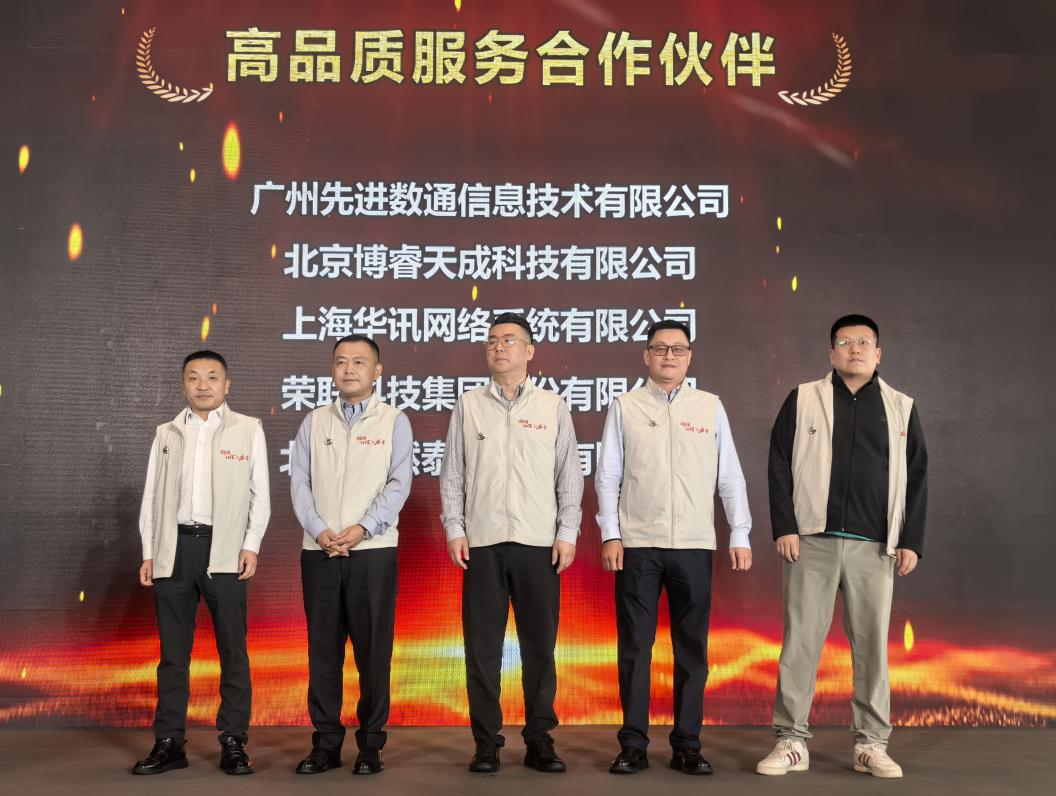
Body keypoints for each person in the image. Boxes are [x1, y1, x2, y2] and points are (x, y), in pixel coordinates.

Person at [756, 314, 928, 779]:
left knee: (872, 647)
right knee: (800, 643)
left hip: (874, 545)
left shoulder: (900, 407)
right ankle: (791, 740)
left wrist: (910, 540)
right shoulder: (803, 398)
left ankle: (871, 743)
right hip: (811, 541)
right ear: (831, 353)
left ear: (878, 353)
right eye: (845, 342)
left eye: (864, 342)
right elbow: (778, 463)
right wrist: (785, 526)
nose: (855, 349)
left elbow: (917, 476)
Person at [596, 320, 752, 776]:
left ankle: (687, 745)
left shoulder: (709, 407)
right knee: (635, 649)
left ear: (689, 356)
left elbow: (729, 476)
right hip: (638, 546)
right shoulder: (625, 406)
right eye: (660, 348)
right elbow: (608, 475)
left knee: (691, 650)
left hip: (693, 545)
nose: (669, 356)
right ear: (646, 356)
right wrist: (611, 533)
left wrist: (739, 532)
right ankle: (633, 745)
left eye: (678, 349)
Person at [440, 312, 584, 773]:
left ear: (529, 350)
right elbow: (453, 473)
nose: (498, 348)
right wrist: (455, 528)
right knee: (481, 651)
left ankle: (540, 739)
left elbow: (569, 474)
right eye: (491, 341)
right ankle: (486, 742)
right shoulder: (469, 405)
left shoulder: (551, 406)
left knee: (539, 648)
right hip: (482, 543)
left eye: (509, 340)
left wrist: (566, 532)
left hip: (537, 543)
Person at [133, 351, 270, 776]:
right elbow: (151, 495)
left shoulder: (248, 428)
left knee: (233, 649)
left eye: (212, 377)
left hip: (225, 549)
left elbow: (259, 494)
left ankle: (234, 741)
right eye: (194, 377)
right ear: (183, 385)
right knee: (173, 654)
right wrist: (149, 551)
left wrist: (251, 545)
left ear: (227, 385)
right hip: (174, 549)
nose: (203, 385)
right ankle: (169, 742)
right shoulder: (167, 432)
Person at [290, 334, 413, 775]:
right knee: (323, 652)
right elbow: (299, 482)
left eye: (359, 362)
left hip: (372, 552)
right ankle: (325, 744)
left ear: (377, 371)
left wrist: (363, 528)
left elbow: (399, 483)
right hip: (320, 550)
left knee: (373, 653)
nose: (348, 369)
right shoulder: (314, 421)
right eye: (341, 361)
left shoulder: (394, 420)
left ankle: (370, 745)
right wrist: (319, 529)